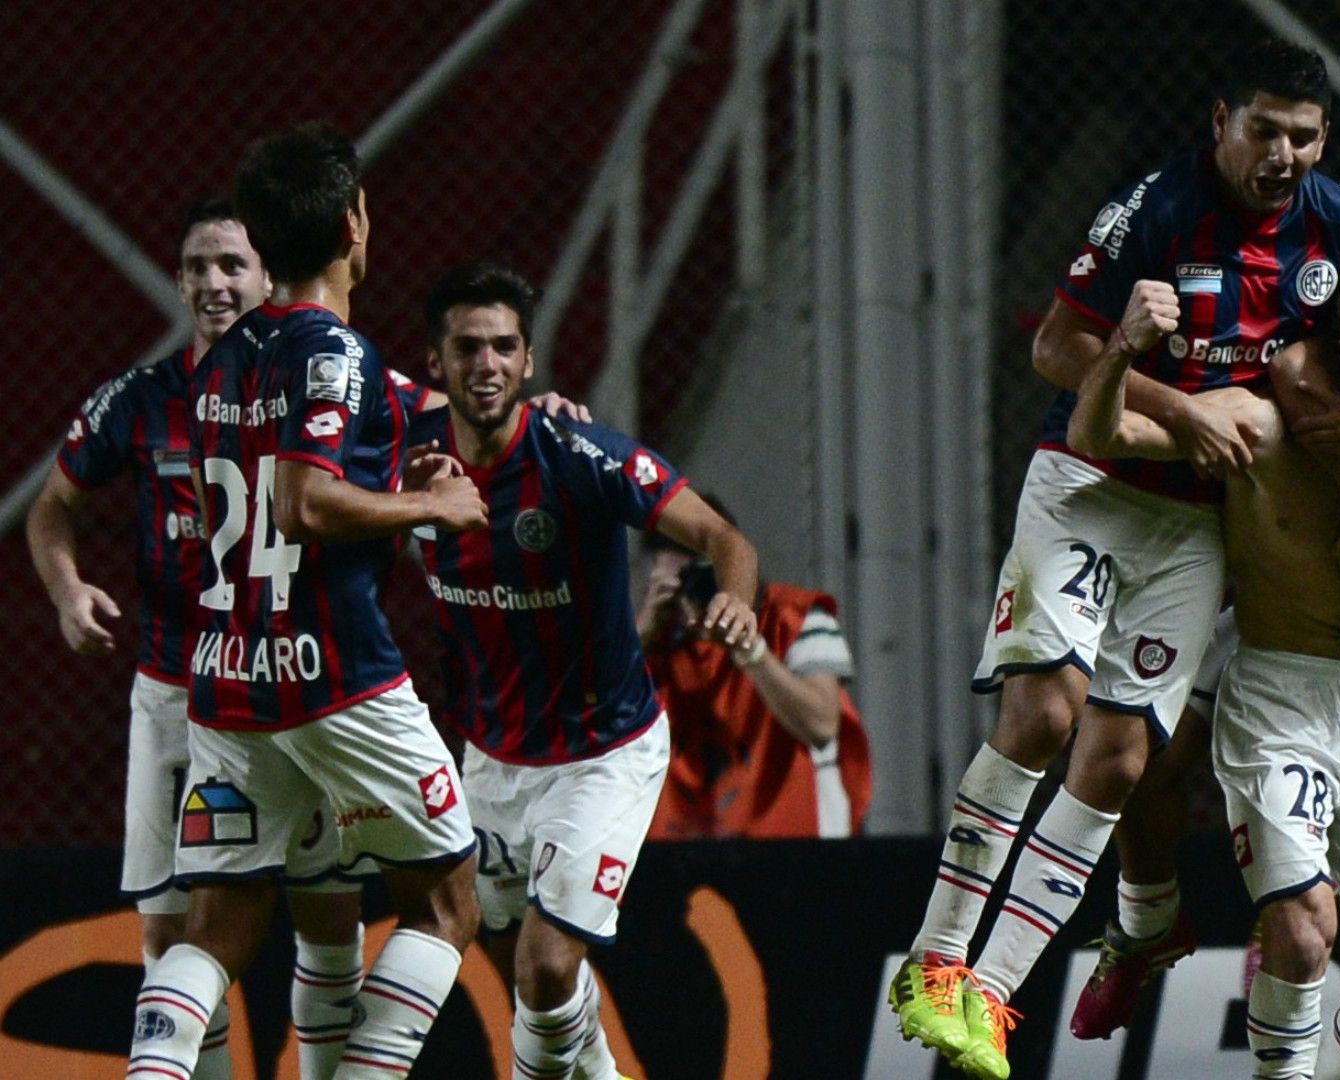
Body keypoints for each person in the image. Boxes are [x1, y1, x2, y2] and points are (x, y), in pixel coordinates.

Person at [886, 37, 1340, 1080]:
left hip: (1195, 525)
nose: (1280, 153)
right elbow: (1054, 349)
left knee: (1123, 756)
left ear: (1325, 141)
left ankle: (993, 991)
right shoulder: (1156, 211)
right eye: (1263, 128)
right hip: (1093, 483)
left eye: (1302, 136)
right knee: (1045, 713)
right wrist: (1177, 400)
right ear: (1221, 119)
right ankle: (936, 959)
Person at [127, 124, 491, 1080]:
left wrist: (393, 458)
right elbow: (304, 500)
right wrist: (431, 502)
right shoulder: (334, 351)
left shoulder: (222, 359)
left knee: (220, 924)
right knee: (452, 903)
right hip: (334, 677)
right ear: (352, 223)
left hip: (228, 675)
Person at [1076, 269, 1340, 1078]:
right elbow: (1103, 432)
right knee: (1300, 929)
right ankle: (1139, 926)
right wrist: (1124, 350)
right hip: (1277, 691)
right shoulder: (1262, 422)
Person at [30, 199, 366, 1080]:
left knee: (330, 917)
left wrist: (542, 406)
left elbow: (430, 411)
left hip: (301, 688)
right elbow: (53, 506)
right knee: (170, 931)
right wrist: (68, 591)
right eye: (197, 267)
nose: (215, 283)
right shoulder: (140, 402)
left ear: (267, 279)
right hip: (181, 692)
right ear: (178, 282)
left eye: (232, 265)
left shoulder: (314, 379)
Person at [403, 260, 755, 1079]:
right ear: (435, 363)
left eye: (503, 348)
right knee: (512, 959)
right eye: (467, 349)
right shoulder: (403, 459)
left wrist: (735, 598)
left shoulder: (580, 454)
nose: (485, 365)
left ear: (528, 362)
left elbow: (726, 539)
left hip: (604, 752)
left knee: (546, 965)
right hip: (491, 757)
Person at [639, 516, 872, 839]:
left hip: (796, 845)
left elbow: (821, 726)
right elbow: (584, 728)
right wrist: (640, 634)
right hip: (681, 852)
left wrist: (750, 649)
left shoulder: (793, 618)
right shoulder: (655, 643)